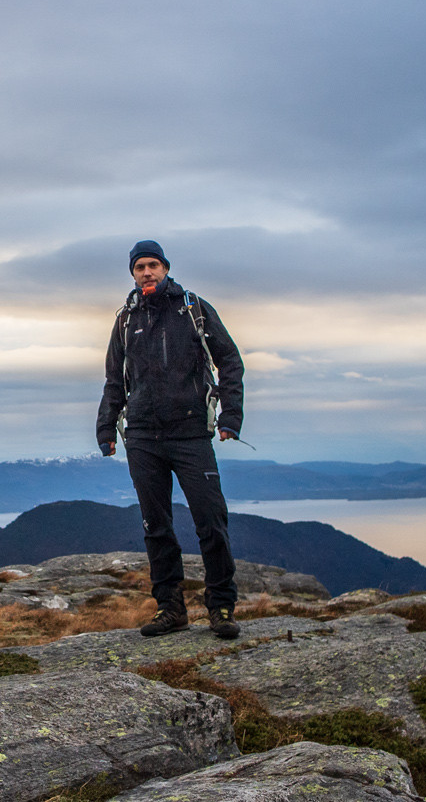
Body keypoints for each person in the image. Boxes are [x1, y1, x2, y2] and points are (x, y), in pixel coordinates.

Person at [97, 240, 247, 638]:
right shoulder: (126, 320)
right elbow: (115, 378)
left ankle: (222, 607)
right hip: (143, 434)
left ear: (165, 268)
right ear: (132, 273)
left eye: (153, 265)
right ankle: (170, 608)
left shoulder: (193, 309)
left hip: (190, 432)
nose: (147, 272)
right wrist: (105, 427)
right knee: (155, 525)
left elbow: (229, 360)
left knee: (210, 520)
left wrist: (231, 415)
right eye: (139, 267)